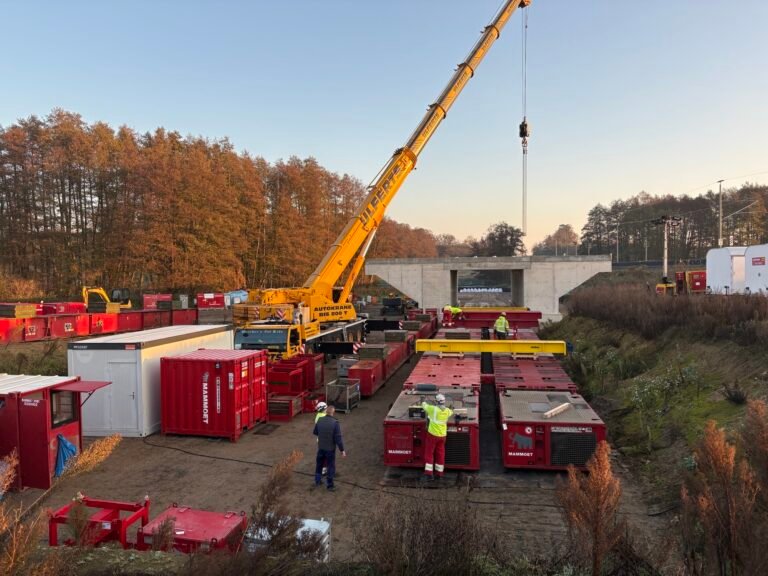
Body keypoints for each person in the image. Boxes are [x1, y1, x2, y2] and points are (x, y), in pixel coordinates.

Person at [313, 405, 346, 491]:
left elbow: (315, 432)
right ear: (333, 412)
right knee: (330, 466)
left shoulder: (320, 420)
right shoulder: (335, 423)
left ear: (326, 412)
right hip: (330, 449)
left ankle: (317, 481)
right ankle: (330, 485)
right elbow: (338, 438)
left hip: (321, 447)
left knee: (319, 465)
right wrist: (342, 450)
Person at [421, 393, 453, 481]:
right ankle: (439, 474)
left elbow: (424, 405)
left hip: (432, 435)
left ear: (436, 401)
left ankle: (428, 474)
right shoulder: (447, 411)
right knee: (440, 454)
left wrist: (423, 399)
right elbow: (451, 411)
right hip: (442, 436)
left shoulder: (433, 409)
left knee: (429, 453)